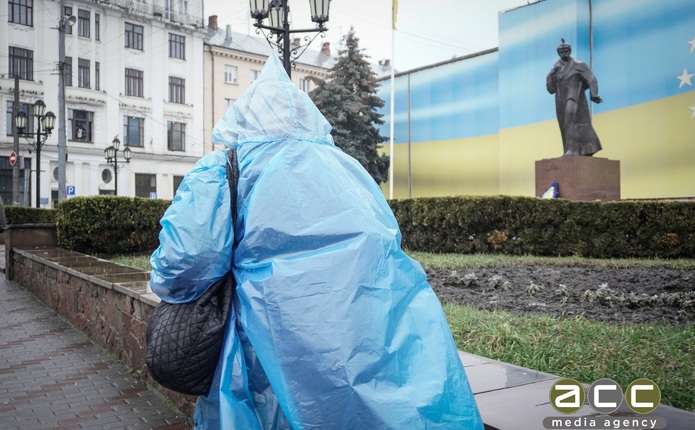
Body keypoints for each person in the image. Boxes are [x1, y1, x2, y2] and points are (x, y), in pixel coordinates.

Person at [150, 54, 484, 430]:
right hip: (360, 328)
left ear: (242, 119)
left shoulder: (224, 168)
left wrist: (166, 283)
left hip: (266, 342)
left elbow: (186, 260)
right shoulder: (346, 167)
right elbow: (385, 245)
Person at [547, 39, 603, 156]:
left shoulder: (578, 64)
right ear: (558, 53)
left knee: (570, 120)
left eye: (566, 50)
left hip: (574, 97)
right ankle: (577, 149)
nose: (564, 53)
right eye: (561, 51)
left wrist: (594, 94)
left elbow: (591, 79)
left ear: (570, 51)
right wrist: (551, 74)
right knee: (564, 124)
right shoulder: (556, 68)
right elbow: (551, 89)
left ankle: (572, 150)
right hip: (560, 100)